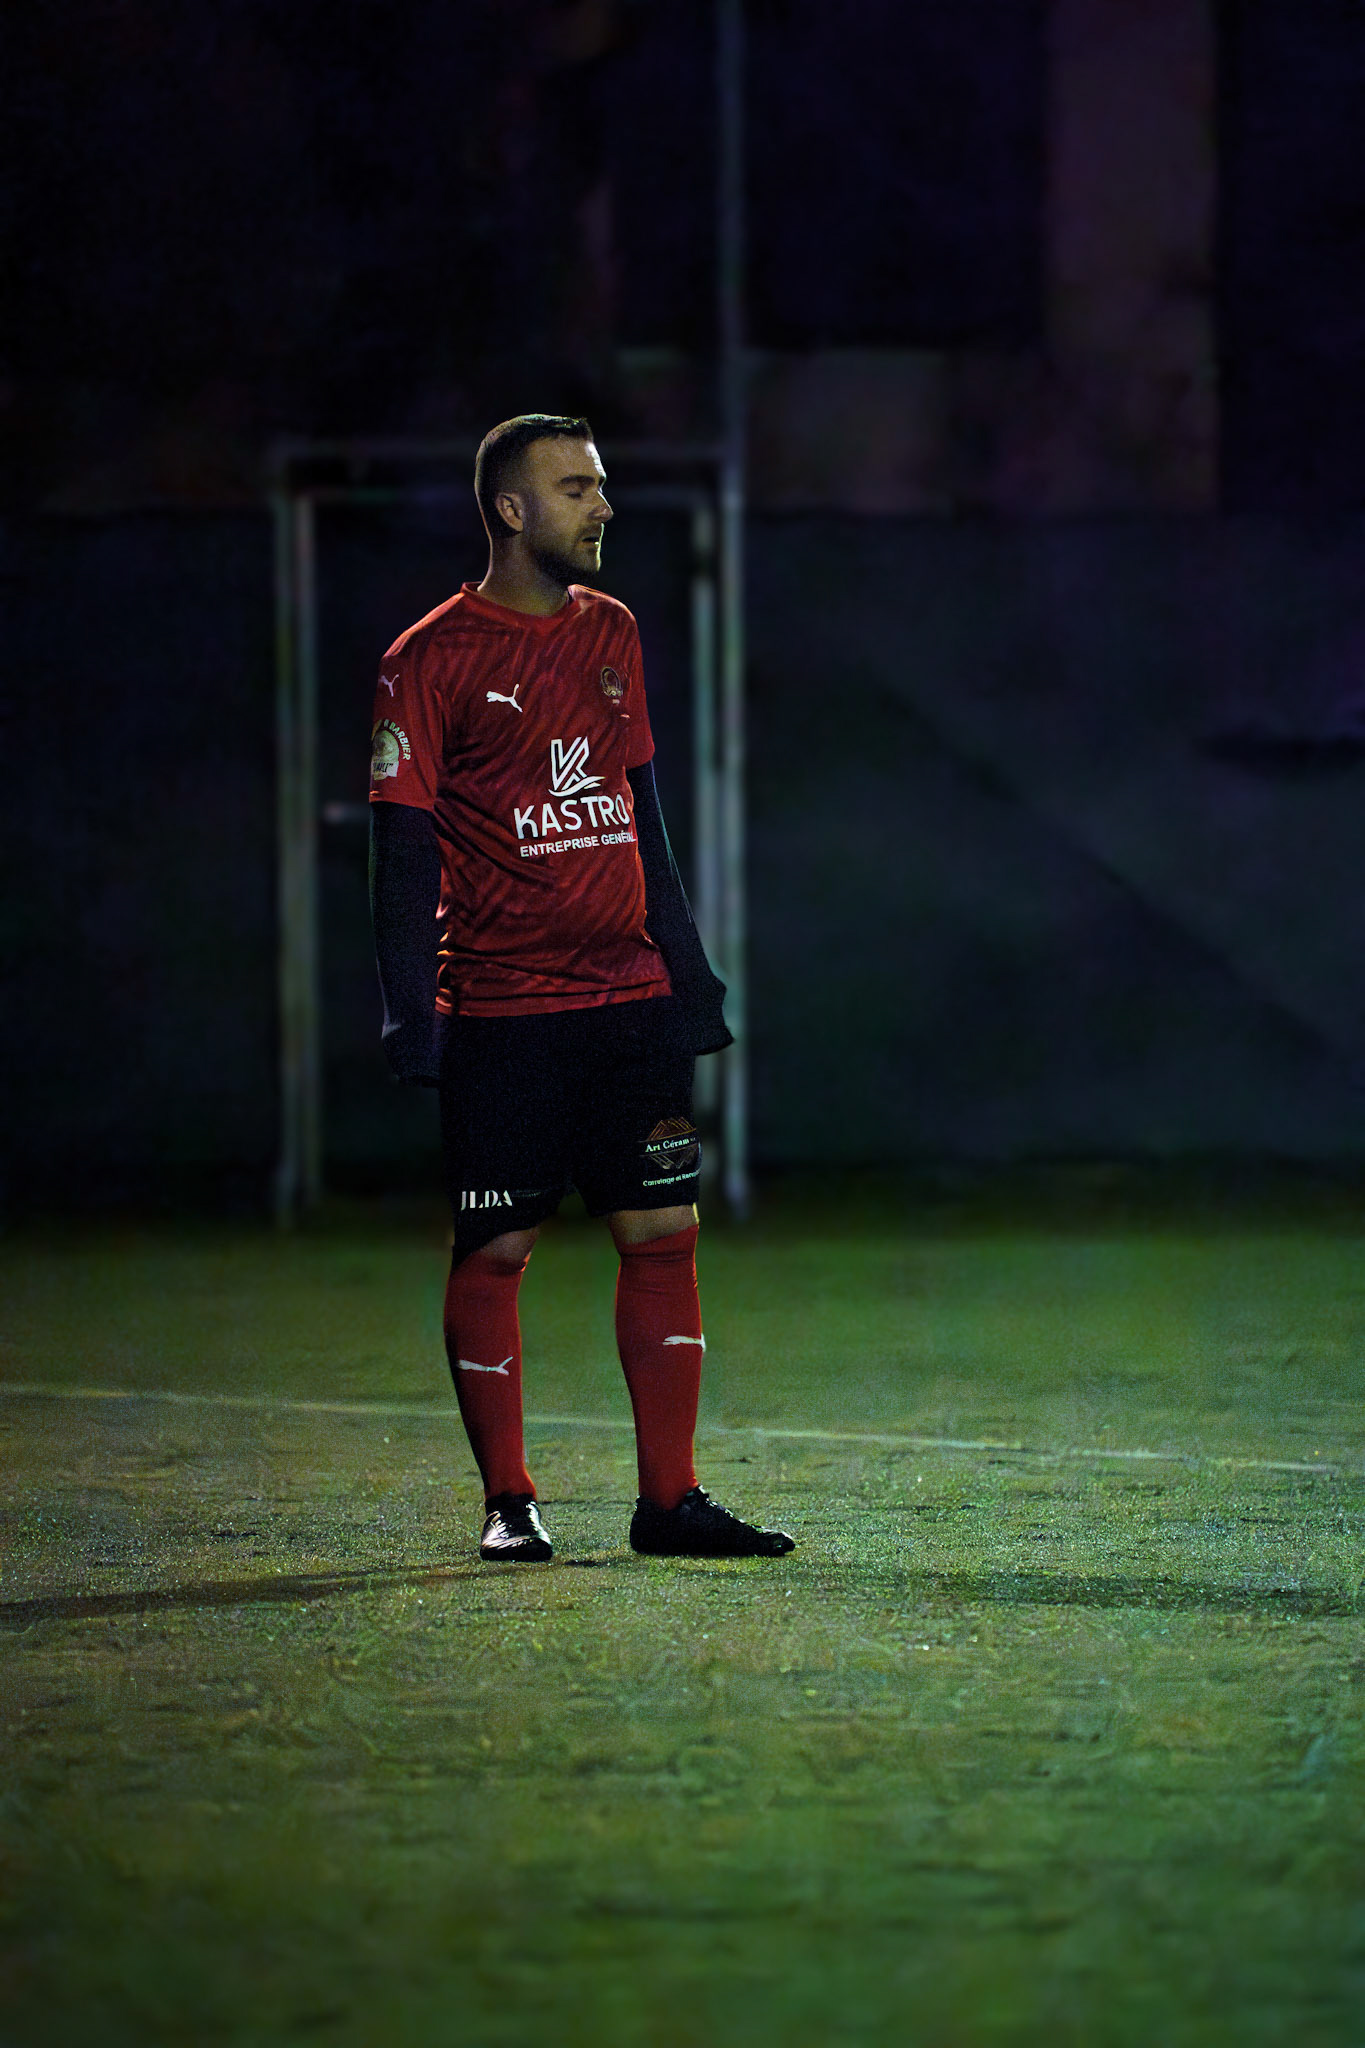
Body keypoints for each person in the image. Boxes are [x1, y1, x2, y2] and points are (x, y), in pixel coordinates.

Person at [367, 413, 794, 1565]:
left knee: (664, 1232)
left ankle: (670, 1502)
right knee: (498, 1248)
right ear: (512, 511)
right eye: (576, 489)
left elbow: (641, 812)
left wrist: (687, 966)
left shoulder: (613, 632)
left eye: (600, 485)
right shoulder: (428, 657)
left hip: (628, 1000)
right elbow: (402, 853)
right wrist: (414, 1010)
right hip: (503, 1011)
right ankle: (510, 1500)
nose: (602, 506)